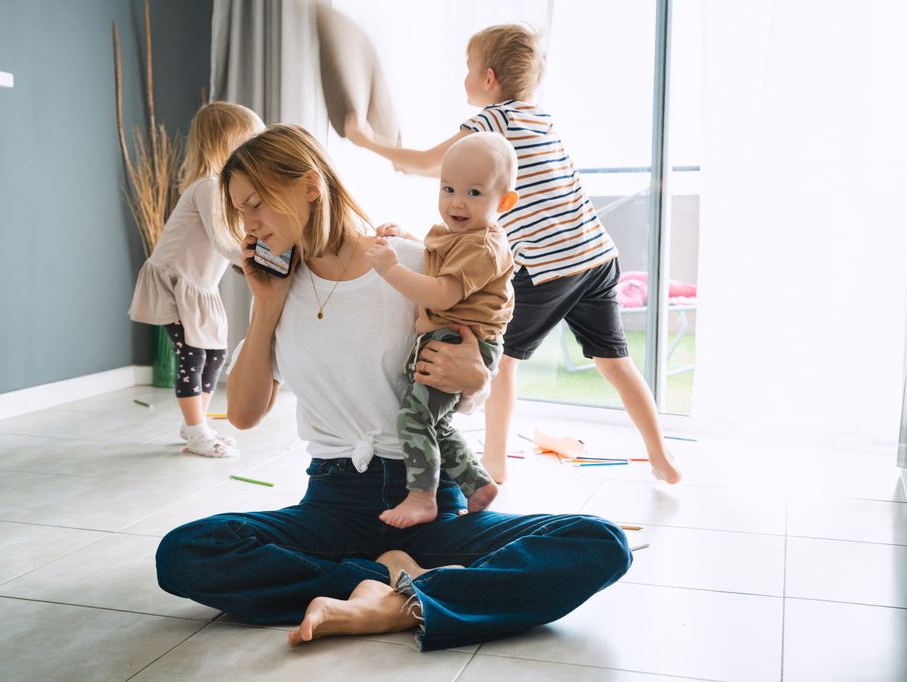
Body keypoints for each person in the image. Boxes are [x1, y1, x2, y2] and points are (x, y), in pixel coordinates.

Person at [154, 124, 631, 652]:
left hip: (429, 498)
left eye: (257, 204)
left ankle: (393, 601)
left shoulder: (410, 265)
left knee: (598, 543)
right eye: (241, 212)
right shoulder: (278, 288)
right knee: (186, 551)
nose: (250, 224)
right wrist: (265, 304)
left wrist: (478, 377)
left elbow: (462, 385)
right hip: (332, 504)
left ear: (310, 186)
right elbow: (242, 416)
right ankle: (396, 586)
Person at [345, 24, 682, 486]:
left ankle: (497, 462)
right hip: (596, 255)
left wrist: (365, 140)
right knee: (615, 362)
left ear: (488, 78)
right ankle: (661, 457)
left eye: (467, 69)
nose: (463, 77)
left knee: (499, 360)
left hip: (547, 267)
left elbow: (430, 163)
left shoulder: (492, 122)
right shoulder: (539, 117)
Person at [364, 132, 517, 529]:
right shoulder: (459, 235)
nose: (457, 202)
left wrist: (390, 268)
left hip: (461, 342)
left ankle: (422, 497)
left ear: (504, 202)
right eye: (447, 188)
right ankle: (477, 485)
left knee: (413, 419)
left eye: (473, 192)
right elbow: (440, 261)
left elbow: (443, 292)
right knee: (437, 420)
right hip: (447, 337)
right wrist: (409, 240)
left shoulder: (485, 246)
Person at [128, 102, 264, 458]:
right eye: (246, 140)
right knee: (192, 356)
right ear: (223, 142)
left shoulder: (224, 187)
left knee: (215, 355)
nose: (253, 147)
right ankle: (196, 429)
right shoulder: (208, 186)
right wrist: (256, 259)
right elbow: (222, 241)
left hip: (200, 286)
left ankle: (195, 424)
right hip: (176, 284)